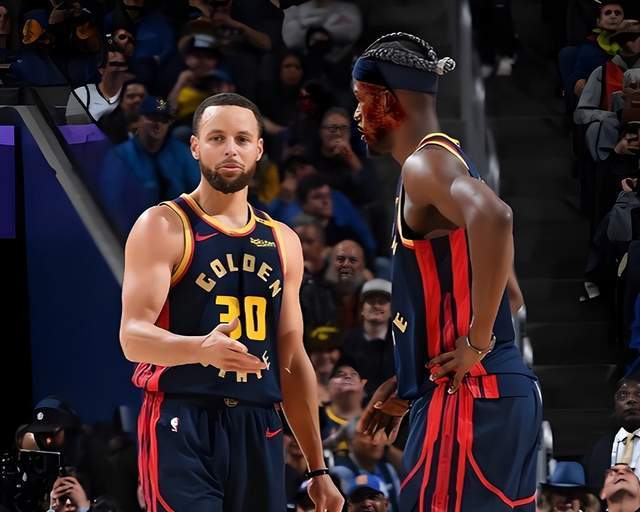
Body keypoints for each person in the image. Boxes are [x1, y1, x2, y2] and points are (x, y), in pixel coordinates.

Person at [119, 92, 343, 511]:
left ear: (259, 149)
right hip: (182, 416)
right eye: (217, 138)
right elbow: (132, 338)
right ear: (195, 146)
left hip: (259, 423)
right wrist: (199, 349)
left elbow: (292, 359)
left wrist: (318, 470)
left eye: (241, 139)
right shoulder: (164, 225)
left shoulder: (283, 241)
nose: (230, 149)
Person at [350, 32, 541, 511]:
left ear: (386, 101)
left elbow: (496, 216)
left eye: (360, 100)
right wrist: (410, 378)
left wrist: (475, 343)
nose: (355, 115)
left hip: (469, 395)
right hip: (497, 391)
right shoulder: (452, 162)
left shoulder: (425, 165)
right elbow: (511, 295)